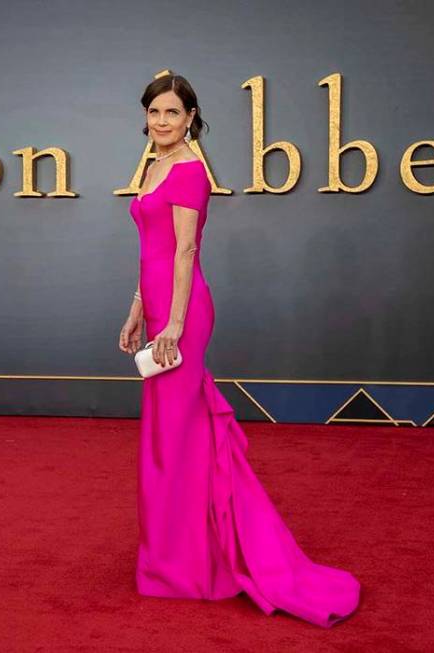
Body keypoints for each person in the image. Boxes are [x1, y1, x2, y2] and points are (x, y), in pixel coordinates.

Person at [118, 72, 361, 628]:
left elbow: (184, 251)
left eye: (172, 113)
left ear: (191, 117)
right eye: (155, 112)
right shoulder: (153, 165)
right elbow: (148, 250)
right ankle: (177, 556)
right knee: (169, 439)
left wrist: (174, 325)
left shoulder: (189, 172)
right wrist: (138, 306)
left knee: (176, 439)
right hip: (157, 307)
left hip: (184, 314)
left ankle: (191, 564)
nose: (161, 121)